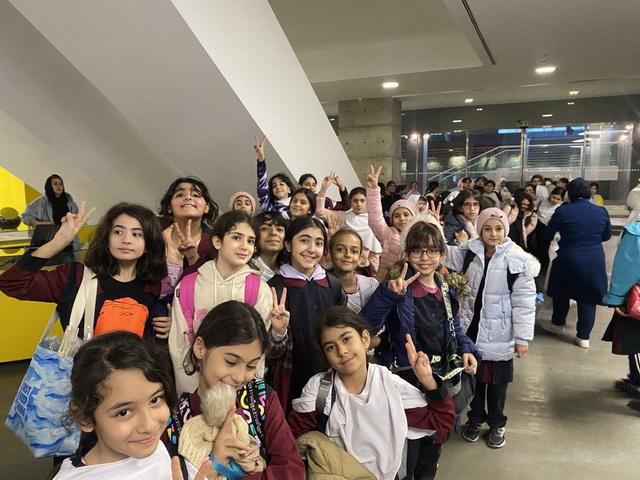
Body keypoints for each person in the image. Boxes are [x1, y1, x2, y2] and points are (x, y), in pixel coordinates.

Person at [288, 307, 456, 480]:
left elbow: (442, 420)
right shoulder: (319, 390)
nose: (342, 351)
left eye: (346, 339)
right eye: (331, 347)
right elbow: (295, 440)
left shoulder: (391, 388)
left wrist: (428, 380)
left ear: (365, 339)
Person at [164, 301, 305, 480]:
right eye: (231, 362)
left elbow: (291, 470)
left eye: (251, 366)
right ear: (200, 348)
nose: (239, 377)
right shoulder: (172, 423)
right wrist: (214, 463)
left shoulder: (262, 399)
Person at [50, 331, 211, 479]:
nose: (148, 426)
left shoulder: (170, 457)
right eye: (124, 412)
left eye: (155, 400)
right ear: (85, 418)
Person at [0, 202, 168, 339]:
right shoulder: (74, 276)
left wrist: (171, 328)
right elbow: (11, 283)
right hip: (84, 369)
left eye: (136, 234)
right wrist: (59, 241)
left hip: (135, 370)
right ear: (107, 239)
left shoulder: (154, 285)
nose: (126, 240)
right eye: (118, 232)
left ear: (148, 245)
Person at [446, 208, 538, 449]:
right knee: (474, 381)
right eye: (487, 228)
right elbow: (442, 254)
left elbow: (524, 302)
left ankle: (497, 424)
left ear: (505, 229)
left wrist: (522, 338)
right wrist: (431, 225)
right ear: (479, 230)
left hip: (501, 335)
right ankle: (475, 419)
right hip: (473, 331)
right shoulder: (470, 251)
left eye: (498, 228)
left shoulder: (516, 258)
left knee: (498, 386)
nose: (493, 233)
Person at [168, 211, 275, 394]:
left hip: (240, 388)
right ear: (217, 242)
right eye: (236, 238)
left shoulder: (259, 290)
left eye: (250, 241)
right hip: (196, 386)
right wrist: (193, 394)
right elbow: (179, 345)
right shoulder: (188, 285)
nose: (244, 246)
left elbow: (258, 352)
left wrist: (246, 393)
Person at [267, 217, 344, 412]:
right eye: (304, 240)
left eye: (318, 243)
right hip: (290, 382)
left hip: (331, 378)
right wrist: (278, 333)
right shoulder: (274, 288)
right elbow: (267, 355)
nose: (311, 249)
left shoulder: (332, 284)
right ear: (288, 244)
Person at [541, 178, 612, 348]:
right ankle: (583, 337)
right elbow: (606, 236)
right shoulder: (601, 211)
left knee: (562, 293)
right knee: (588, 298)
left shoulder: (563, 211)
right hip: (593, 259)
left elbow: (548, 234)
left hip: (568, 257)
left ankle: (558, 324)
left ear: (569, 193)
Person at [602, 216, 640, 410]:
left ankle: (636, 379)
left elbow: (627, 268)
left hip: (637, 301)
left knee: (635, 342)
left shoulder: (636, 233)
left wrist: (616, 298)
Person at [158, 177, 219, 288]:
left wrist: (193, 258)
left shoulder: (214, 244)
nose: (188, 197)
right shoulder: (153, 229)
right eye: (180, 195)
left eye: (196, 195)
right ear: (169, 207)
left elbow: (209, 286)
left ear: (206, 207)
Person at [316, 180, 382, 278]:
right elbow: (320, 212)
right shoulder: (343, 216)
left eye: (362, 200)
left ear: (367, 201)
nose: (359, 204)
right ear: (350, 202)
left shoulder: (373, 219)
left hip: (366, 262)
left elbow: (375, 266)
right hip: (345, 260)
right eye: (355, 201)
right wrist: (323, 189)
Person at [366, 166, 418, 282]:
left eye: (406, 214)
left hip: (412, 283)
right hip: (387, 282)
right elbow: (375, 217)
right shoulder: (388, 234)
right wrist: (373, 190)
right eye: (397, 216)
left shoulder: (419, 236)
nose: (402, 219)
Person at [328, 228, 378, 313]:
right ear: (330, 254)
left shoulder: (371, 286)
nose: (348, 255)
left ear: (360, 258)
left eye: (354, 251)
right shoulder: (320, 288)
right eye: (340, 249)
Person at [254, 136, 295, 217]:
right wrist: (261, 160)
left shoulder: (298, 206)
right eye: (274, 186)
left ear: (289, 189)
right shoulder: (269, 208)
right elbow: (262, 186)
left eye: (281, 184)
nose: (278, 187)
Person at [255, 211, 288, 282]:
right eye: (265, 229)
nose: (273, 233)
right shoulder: (245, 271)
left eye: (279, 229)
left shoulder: (288, 272)